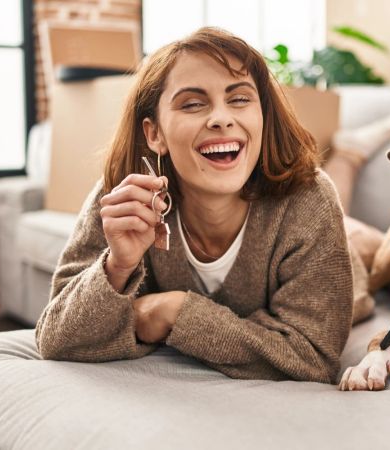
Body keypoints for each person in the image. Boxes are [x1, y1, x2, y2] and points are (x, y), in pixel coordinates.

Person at [35, 27, 354, 384]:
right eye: (192, 103)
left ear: (262, 116)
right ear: (155, 133)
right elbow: (55, 337)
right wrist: (117, 266)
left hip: (354, 263)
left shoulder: (310, 201)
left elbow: (313, 357)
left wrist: (172, 312)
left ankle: (351, 157)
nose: (220, 118)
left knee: (367, 247)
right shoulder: (122, 200)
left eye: (239, 99)